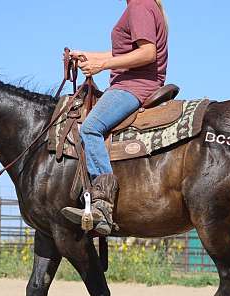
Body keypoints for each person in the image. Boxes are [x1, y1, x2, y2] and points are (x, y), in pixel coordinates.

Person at [61, 0, 169, 235]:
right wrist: (88, 56)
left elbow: (148, 52)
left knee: (90, 128)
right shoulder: (142, 5)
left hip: (134, 85)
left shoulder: (140, 5)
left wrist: (104, 65)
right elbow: (125, 53)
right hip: (132, 83)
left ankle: (102, 205)